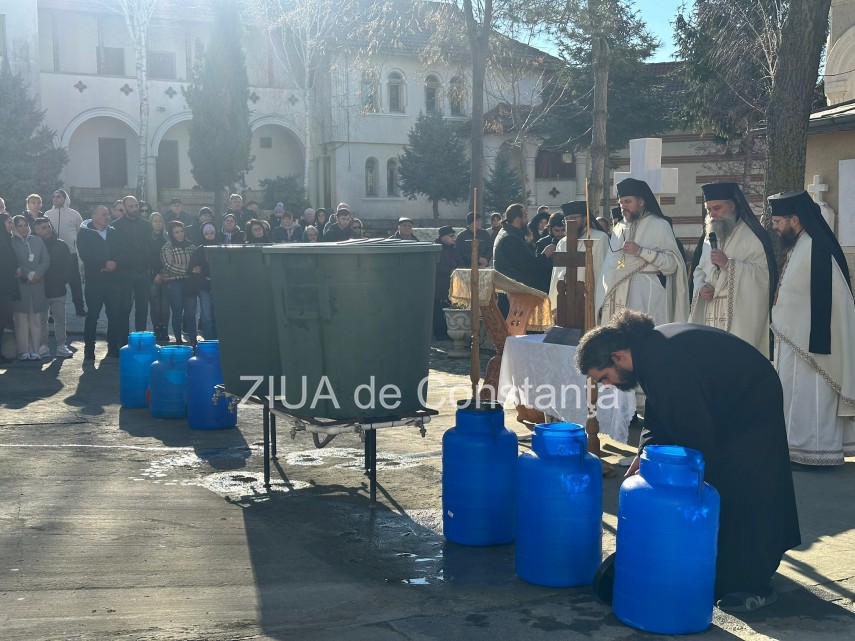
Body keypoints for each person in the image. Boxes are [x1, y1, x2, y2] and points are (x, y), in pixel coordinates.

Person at [576, 309, 801, 612]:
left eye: (604, 377)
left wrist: (673, 474)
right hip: (726, 401)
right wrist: (643, 455)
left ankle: (752, 583)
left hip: (750, 402)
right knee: (719, 479)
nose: (606, 385)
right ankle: (729, 567)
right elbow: (659, 416)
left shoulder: (662, 360)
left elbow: (693, 435)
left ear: (617, 356)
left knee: (743, 483)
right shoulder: (648, 354)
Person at [768, 189, 855, 466]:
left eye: (779, 222)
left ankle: (815, 451)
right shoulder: (803, 244)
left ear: (795, 219)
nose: (776, 228)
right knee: (795, 393)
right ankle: (797, 447)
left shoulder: (815, 247)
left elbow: (824, 298)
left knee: (811, 393)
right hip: (797, 337)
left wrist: (782, 310)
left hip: (813, 342)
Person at [688, 182, 777, 357]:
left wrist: (729, 264)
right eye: (708, 210)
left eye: (717, 208)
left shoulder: (752, 236)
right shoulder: (708, 238)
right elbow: (699, 270)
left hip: (740, 318)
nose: (712, 214)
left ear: (732, 206)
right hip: (710, 314)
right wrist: (700, 287)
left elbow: (764, 276)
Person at [601, 178, 688, 326]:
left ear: (641, 202)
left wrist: (641, 251)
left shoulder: (659, 225)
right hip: (617, 294)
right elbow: (611, 263)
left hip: (648, 293)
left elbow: (672, 264)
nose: (623, 207)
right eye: (621, 202)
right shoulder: (618, 228)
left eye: (628, 202)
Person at [77, 206, 122, 360]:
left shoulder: (114, 232)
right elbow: (86, 254)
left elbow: (121, 251)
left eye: (108, 214)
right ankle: (89, 350)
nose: (107, 216)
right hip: (95, 282)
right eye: (104, 214)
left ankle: (112, 349)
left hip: (114, 282)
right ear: (93, 215)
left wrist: (115, 263)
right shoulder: (84, 234)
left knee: (114, 316)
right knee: (93, 315)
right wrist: (104, 264)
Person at [548, 202, 608, 314]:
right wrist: (554, 304)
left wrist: (601, 303)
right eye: (566, 219)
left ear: (585, 218)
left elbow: (603, 272)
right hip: (565, 299)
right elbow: (556, 274)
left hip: (589, 300)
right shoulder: (562, 242)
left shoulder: (600, 238)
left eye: (574, 218)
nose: (570, 222)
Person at [111, 195, 151, 351]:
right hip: (125, 273)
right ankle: (123, 343)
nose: (134, 209)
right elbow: (114, 249)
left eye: (136, 206)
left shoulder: (145, 225)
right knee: (124, 308)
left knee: (142, 309)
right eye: (131, 206)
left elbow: (149, 247)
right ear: (124, 207)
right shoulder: (116, 226)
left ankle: (140, 341)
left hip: (143, 272)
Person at [33, 218, 74, 358]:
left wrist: (63, 281)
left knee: (60, 320)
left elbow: (68, 266)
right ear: (36, 231)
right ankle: (43, 346)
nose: (48, 229)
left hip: (58, 289)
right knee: (41, 320)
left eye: (48, 226)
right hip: (39, 290)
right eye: (43, 227)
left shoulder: (61, 245)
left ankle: (61, 346)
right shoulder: (34, 245)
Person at [10, 215, 50, 360]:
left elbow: (46, 260)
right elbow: (12, 263)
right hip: (20, 285)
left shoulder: (37, 240)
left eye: (25, 225)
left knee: (36, 319)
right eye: (19, 225)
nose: (23, 228)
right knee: (21, 319)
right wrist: (28, 274)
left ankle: (35, 350)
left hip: (37, 284)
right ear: (15, 227)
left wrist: (36, 274)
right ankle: (23, 350)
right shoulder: (11, 242)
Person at [493, 203, 553, 293]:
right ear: (517, 219)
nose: (527, 220)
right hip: (515, 291)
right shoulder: (510, 239)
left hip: (515, 288)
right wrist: (545, 254)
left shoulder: (510, 233)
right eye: (525, 216)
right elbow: (527, 265)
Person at [44, 189, 85, 316]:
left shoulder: (74, 214)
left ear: (65, 198)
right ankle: (51, 313)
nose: (56, 199)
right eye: (54, 197)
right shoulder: (47, 214)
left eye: (59, 196)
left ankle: (79, 308)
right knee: (53, 283)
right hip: (53, 254)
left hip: (70, 254)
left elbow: (81, 231)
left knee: (75, 283)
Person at [159, 221, 197, 345]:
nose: (180, 234)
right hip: (173, 283)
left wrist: (191, 271)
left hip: (189, 283)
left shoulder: (191, 246)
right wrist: (189, 270)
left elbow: (196, 263)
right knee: (177, 312)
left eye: (181, 231)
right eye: (176, 232)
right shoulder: (166, 248)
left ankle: (193, 340)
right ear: (171, 233)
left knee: (191, 313)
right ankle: (179, 341)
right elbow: (169, 266)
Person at [186, 222, 217, 340]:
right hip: (204, 286)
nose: (209, 235)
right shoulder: (198, 251)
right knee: (207, 315)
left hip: (219, 285)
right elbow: (193, 271)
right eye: (207, 233)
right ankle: (209, 340)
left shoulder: (220, 247)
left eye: (212, 233)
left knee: (218, 315)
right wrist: (205, 283)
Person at [433, 225, 463, 340]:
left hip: (452, 285)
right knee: (438, 311)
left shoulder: (453, 249)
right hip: (439, 285)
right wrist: (450, 271)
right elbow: (435, 267)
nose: (453, 238)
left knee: (449, 309)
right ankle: (439, 334)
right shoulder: (436, 249)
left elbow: (460, 262)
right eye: (450, 236)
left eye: (453, 236)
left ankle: (449, 332)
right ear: (442, 237)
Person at [146, 212, 171, 343]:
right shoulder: (147, 239)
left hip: (166, 275)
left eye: (160, 221)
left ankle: (165, 329)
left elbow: (169, 257)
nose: (158, 223)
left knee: (165, 305)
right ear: (151, 223)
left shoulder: (167, 238)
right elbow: (148, 257)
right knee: (155, 305)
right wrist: (156, 273)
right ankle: (157, 330)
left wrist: (162, 272)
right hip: (152, 276)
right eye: (155, 221)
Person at [0, 213, 19, 365]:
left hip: (6, 286)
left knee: (3, 320)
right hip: (2, 286)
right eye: (8, 222)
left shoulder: (7, 240)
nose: (11, 225)